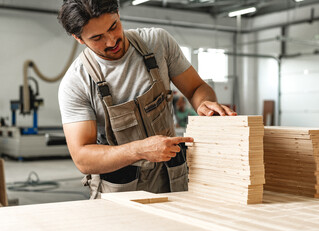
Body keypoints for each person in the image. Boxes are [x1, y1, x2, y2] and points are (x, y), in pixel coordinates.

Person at [57, 0, 237, 199]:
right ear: (79, 38)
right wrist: (139, 150)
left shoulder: (158, 43)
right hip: (120, 192)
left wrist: (203, 103)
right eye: (97, 37)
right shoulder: (76, 82)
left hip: (174, 180)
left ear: (118, 12)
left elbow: (196, 88)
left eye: (113, 26)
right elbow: (83, 158)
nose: (111, 41)